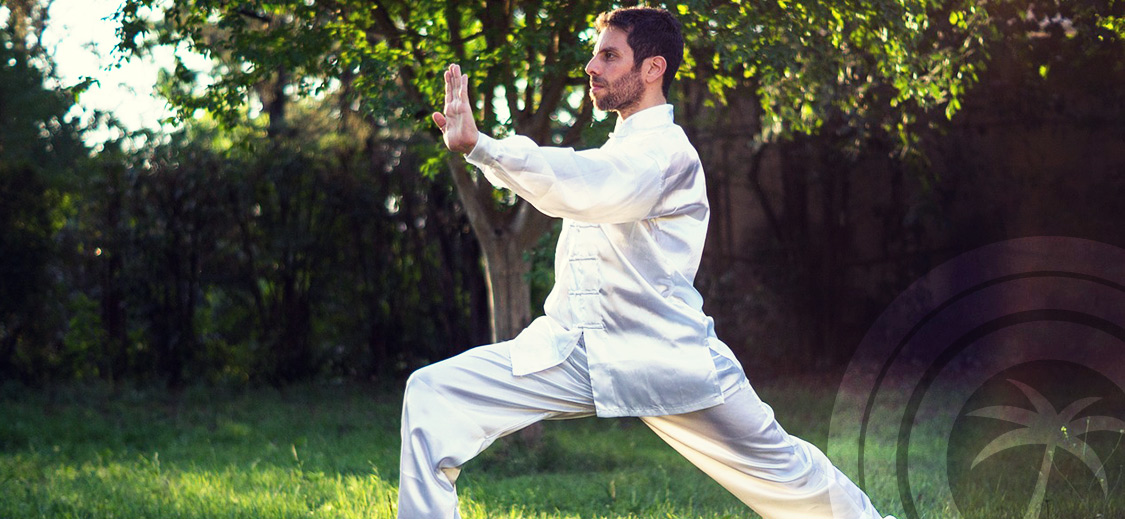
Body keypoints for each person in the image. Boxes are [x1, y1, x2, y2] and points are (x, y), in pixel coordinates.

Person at [400, 6, 893, 519]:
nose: (592, 67)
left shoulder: (665, 154)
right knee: (433, 394)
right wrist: (481, 151)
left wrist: (482, 147)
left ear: (653, 68)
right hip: (574, 351)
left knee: (786, 472)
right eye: (595, 56)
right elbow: (581, 186)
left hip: (666, 356)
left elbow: (589, 184)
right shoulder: (621, 145)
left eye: (609, 56)